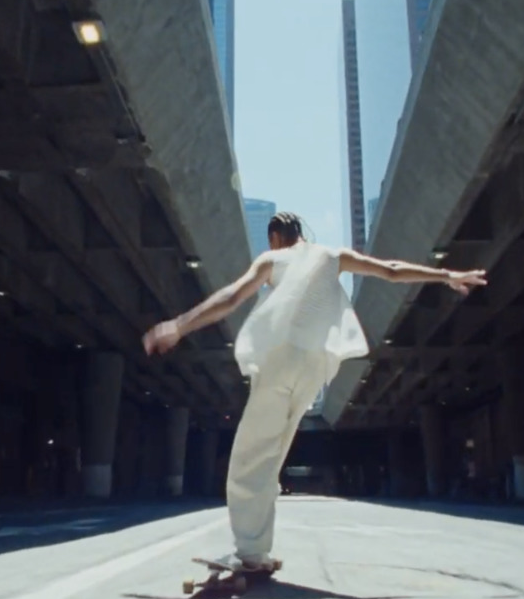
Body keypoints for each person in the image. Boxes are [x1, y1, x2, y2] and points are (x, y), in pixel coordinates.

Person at [143, 211, 487, 572]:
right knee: (270, 459)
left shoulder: (272, 258)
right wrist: (447, 274)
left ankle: (248, 552)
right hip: (314, 366)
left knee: (248, 459)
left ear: (276, 236)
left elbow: (231, 297)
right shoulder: (333, 256)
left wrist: (180, 325)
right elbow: (390, 269)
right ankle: (256, 551)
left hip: (280, 357)